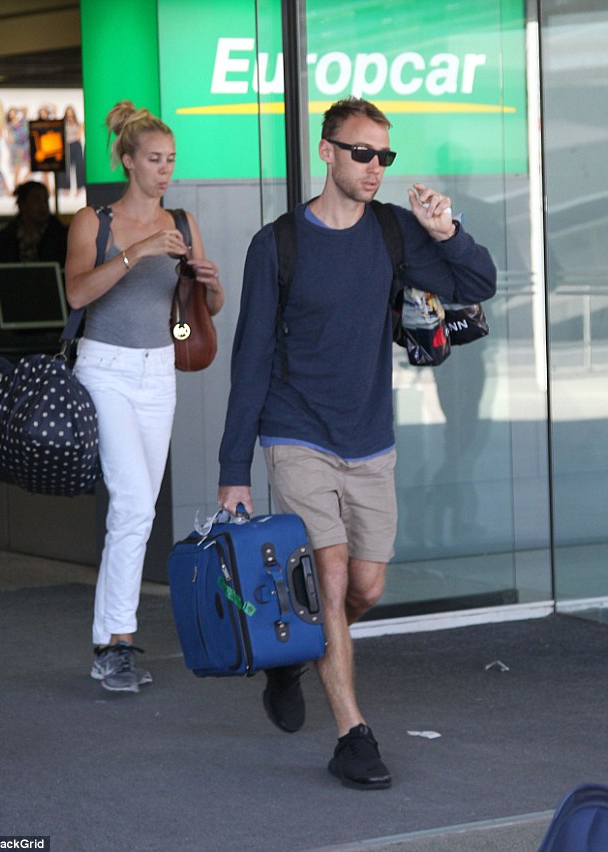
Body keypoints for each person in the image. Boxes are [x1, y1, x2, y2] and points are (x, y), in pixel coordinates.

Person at [217, 96, 496, 789]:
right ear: (327, 152)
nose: (375, 167)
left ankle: (291, 653)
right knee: (332, 576)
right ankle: (353, 734)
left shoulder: (397, 234)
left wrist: (446, 228)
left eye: (384, 156)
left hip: (369, 438)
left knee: (364, 588)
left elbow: (478, 285)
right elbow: (250, 357)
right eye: (362, 153)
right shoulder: (276, 244)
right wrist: (234, 468)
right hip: (296, 431)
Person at [65, 100, 224, 693]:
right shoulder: (94, 222)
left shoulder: (182, 221)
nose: (165, 170)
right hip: (103, 369)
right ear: (128, 162)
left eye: (172, 160)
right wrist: (136, 253)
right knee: (133, 504)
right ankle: (116, 642)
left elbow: (206, 308)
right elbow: (78, 295)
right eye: (154, 159)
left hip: (159, 370)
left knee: (140, 507)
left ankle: (112, 640)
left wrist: (209, 284)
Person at [0, 180, 68, 268]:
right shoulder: (1, 240)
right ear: (22, 204)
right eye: (36, 200)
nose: (42, 206)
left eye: (45, 201)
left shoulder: (62, 237)